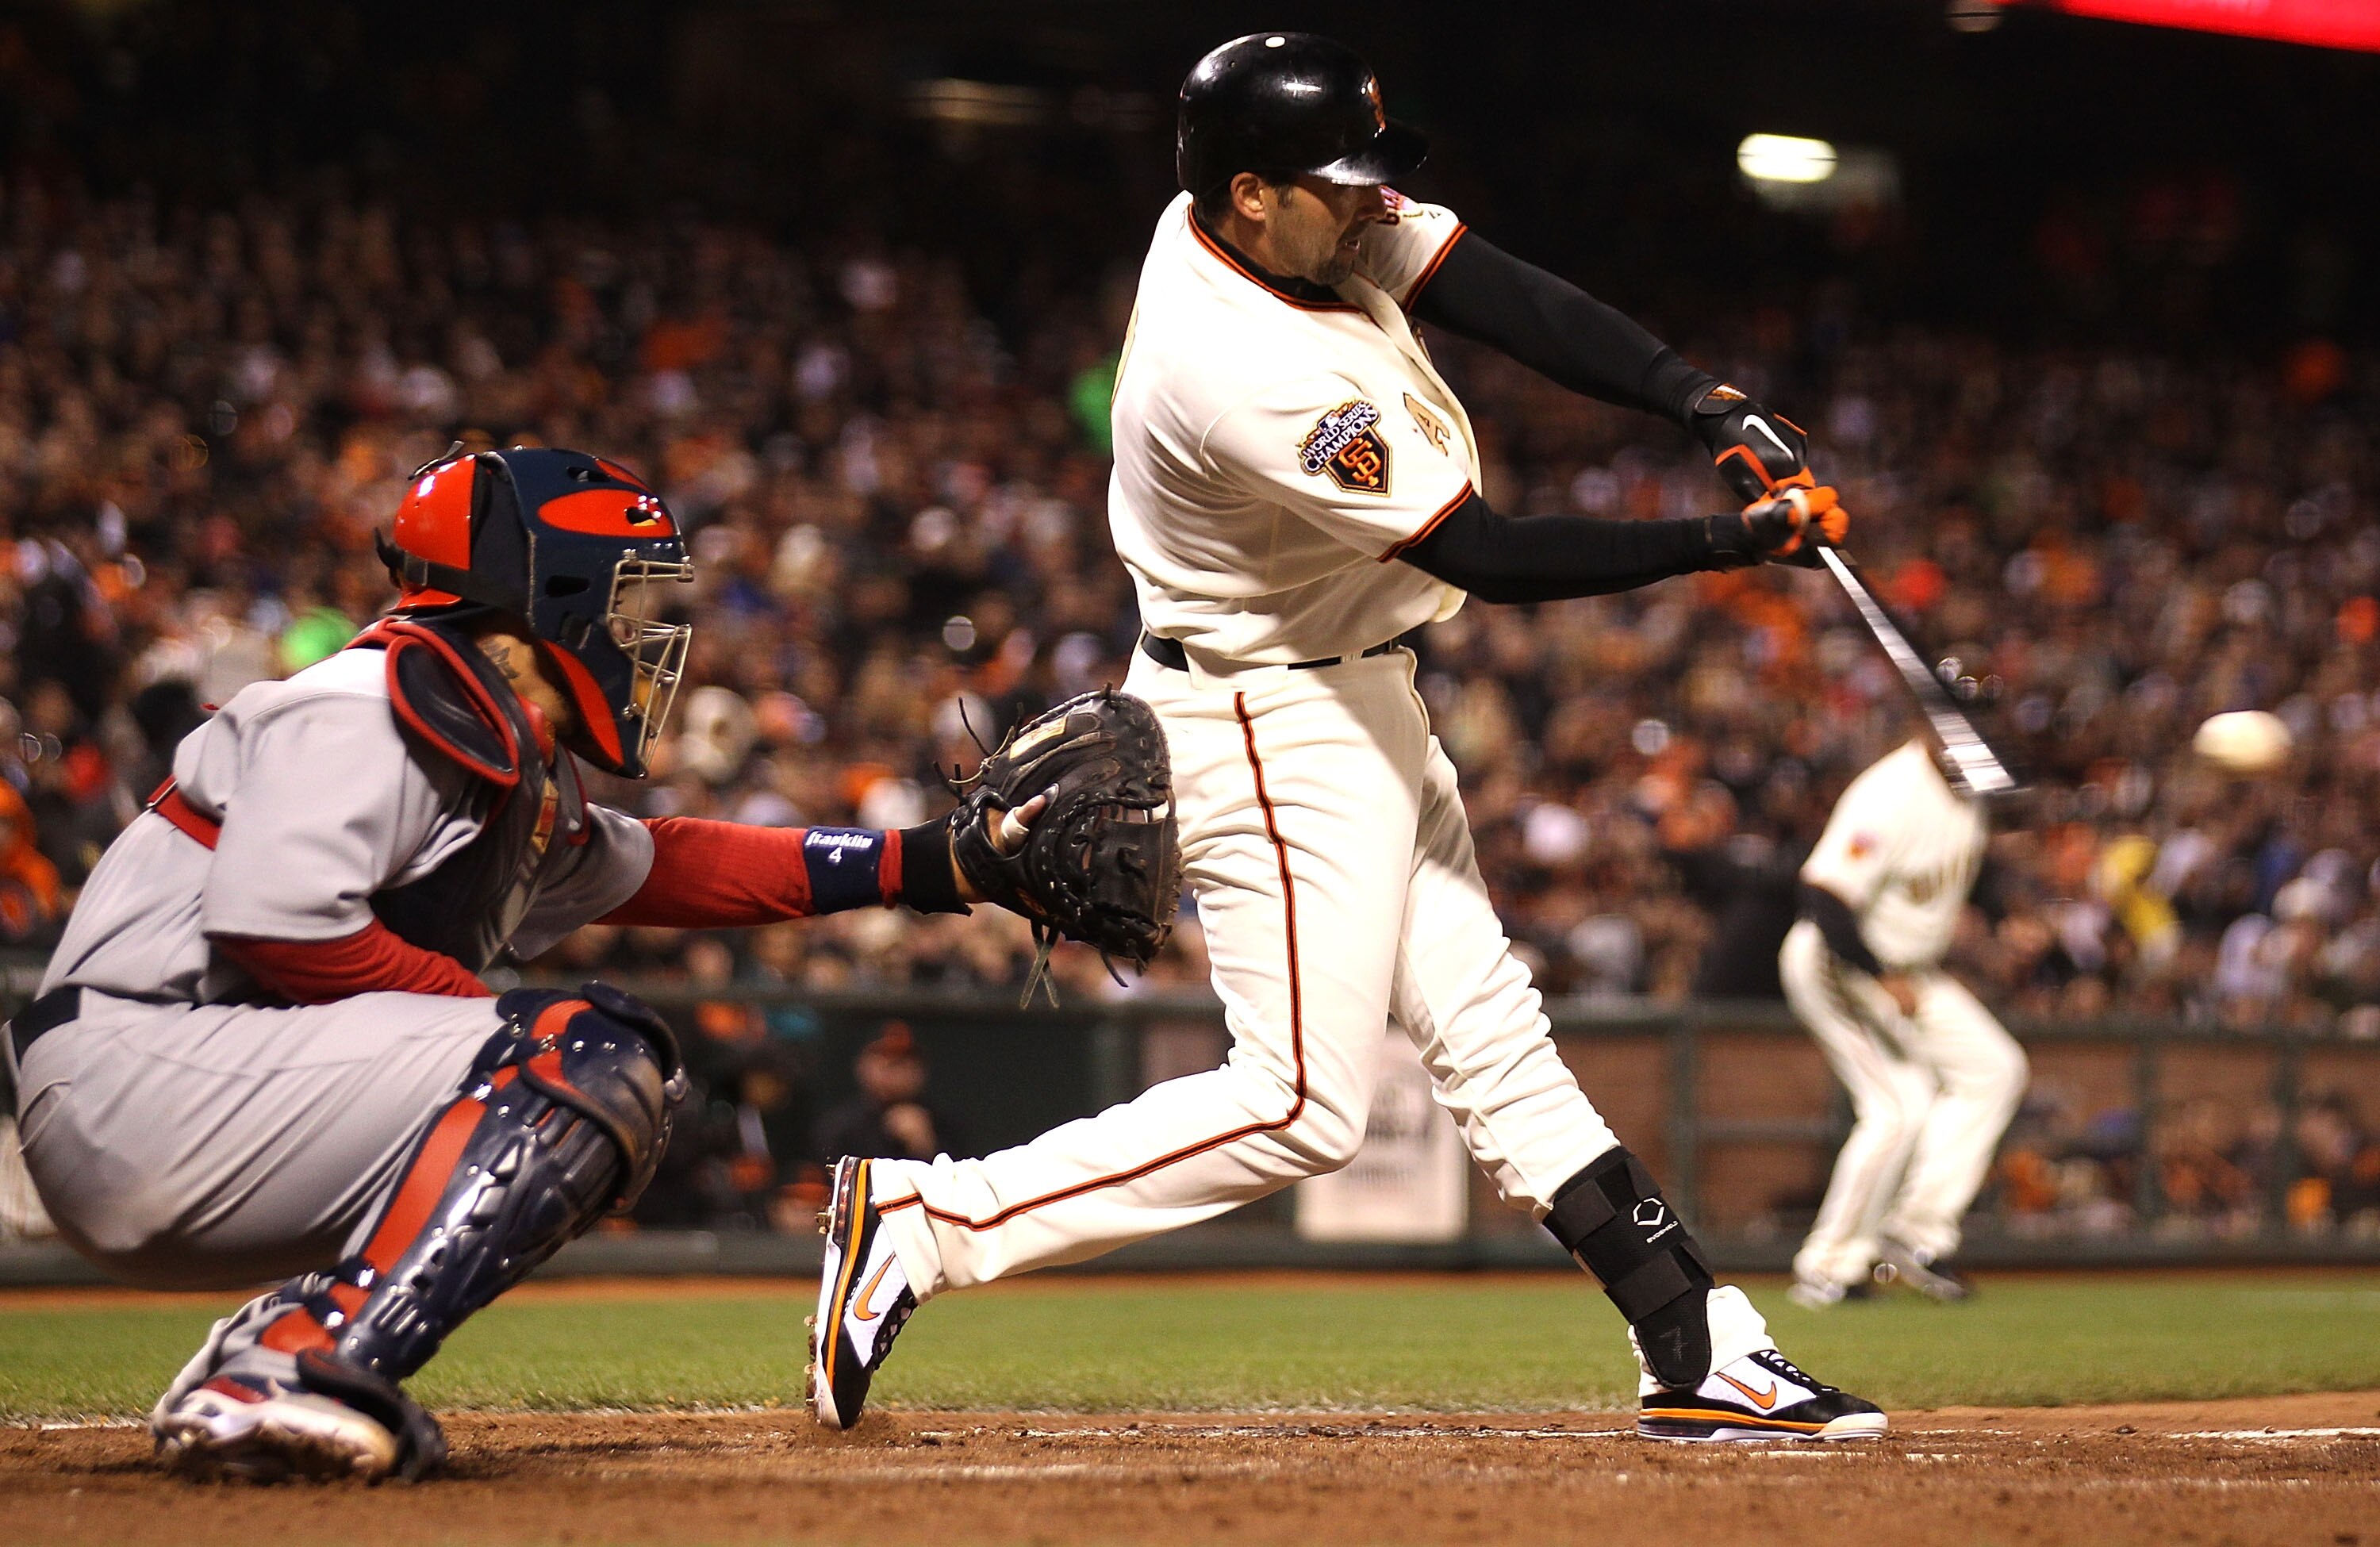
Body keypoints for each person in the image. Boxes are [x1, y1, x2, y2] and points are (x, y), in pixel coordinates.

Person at [810, 32, 1885, 1444]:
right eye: (1345, 184)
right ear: (1251, 195)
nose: (1377, 205)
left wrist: (1701, 397)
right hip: (1262, 709)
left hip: (1355, 686)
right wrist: (1725, 541)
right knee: (1306, 1104)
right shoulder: (1236, 359)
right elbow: (1485, 554)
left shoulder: (1273, 222)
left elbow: (1493, 287)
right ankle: (930, 1217)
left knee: (1492, 1032)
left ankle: (1696, 1343)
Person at [2, 447, 1033, 1482]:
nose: (640, 637)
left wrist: (925, 860)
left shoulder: (486, 738)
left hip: (192, 1083)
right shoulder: (372, 700)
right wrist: (508, 1038)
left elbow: (665, 862)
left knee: (584, 1068)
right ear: (551, 598)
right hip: (136, 1071)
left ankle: (272, 1349)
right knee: (573, 1058)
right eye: (624, 601)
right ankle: (305, 1362)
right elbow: (282, 926)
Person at [1779, 731, 2029, 1306]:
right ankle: (1827, 1266)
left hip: (1906, 968)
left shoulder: (1972, 788)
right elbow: (1824, 896)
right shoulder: (1891, 792)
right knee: (1898, 1108)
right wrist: (1880, 973)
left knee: (1994, 1068)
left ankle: (1914, 1234)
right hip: (1837, 961)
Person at [815, 1023, 963, 1164]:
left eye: (904, 1061)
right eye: (884, 1059)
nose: (894, 1070)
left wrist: (925, 1146)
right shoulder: (840, 1127)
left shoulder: (943, 1124)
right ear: (862, 1065)